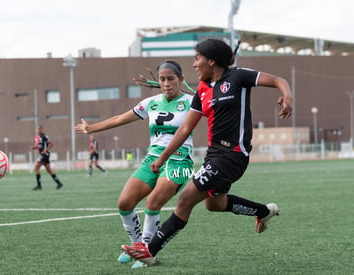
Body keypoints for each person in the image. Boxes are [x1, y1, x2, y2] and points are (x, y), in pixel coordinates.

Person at [122, 39, 293, 266]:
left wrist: (287, 96)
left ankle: (150, 251)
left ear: (211, 61)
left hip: (233, 155)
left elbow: (278, 80)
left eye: (197, 58)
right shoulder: (202, 90)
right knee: (214, 204)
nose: (194, 64)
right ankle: (263, 211)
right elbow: (185, 129)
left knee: (185, 200)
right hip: (214, 155)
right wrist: (163, 157)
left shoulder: (239, 77)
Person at [75, 60, 194, 268]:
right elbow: (121, 118)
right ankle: (136, 245)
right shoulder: (151, 102)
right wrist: (92, 128)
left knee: (153, 203)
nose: (166, 83)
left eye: (171, 79)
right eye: (162, 79)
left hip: (180, 160)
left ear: (181, 80)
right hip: (152, 158)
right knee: (124, 203)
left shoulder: (193, 102)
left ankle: (147, 252)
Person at [30, 125, 63, 190]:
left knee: (36, 168)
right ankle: (59, 183)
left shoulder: (44, 136)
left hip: (44, 155)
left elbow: (51, 143)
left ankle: (39, 186)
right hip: (42, 154)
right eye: (37, 129)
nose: (38, 130)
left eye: (39, 129)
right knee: (49, 170)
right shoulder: (36, 137)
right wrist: (34, 147)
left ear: (42, 129)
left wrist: (46, 150)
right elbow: (38, 146)